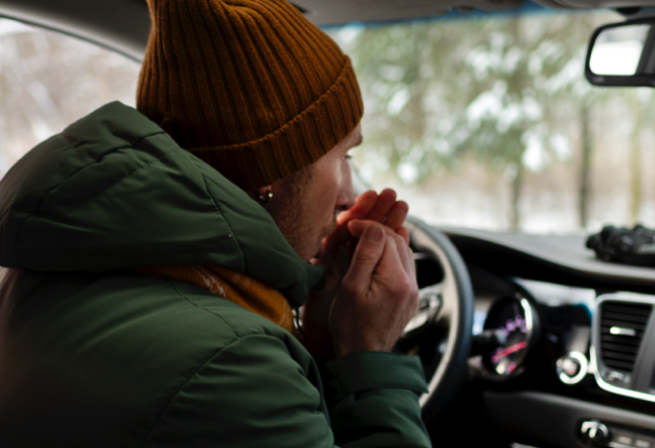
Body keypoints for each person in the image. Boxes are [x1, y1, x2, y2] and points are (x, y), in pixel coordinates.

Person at [0, 0, 430, 446]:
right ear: (272, 169)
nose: (348, 195)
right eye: (343, 157)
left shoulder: (61, 263)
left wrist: (317, 344)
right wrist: (370, 358)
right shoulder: (229, 365)